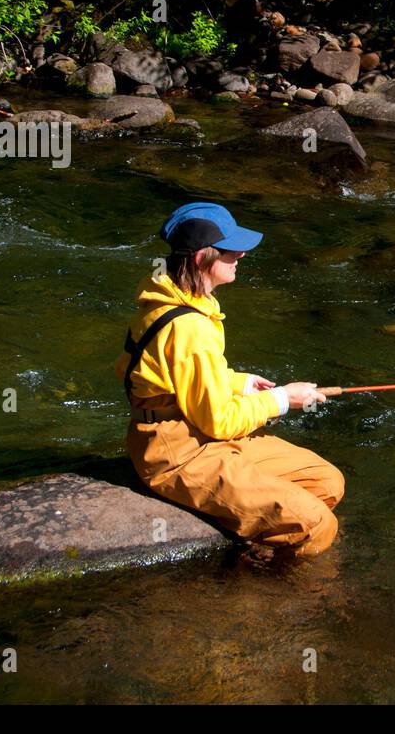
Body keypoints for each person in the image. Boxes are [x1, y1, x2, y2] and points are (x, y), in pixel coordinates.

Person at [114, 201, 344, 557]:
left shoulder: (178, 301)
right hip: (178, 454)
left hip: (197, 431)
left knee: (328, 482)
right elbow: (219, 420)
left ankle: (254, 531)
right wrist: (283, 399)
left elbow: (180, 377)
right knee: (317, 524)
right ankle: (267, 586)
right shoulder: (188, 325)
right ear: (201, 258)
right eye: (229, 251)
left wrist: (239, 383)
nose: (240, 255)